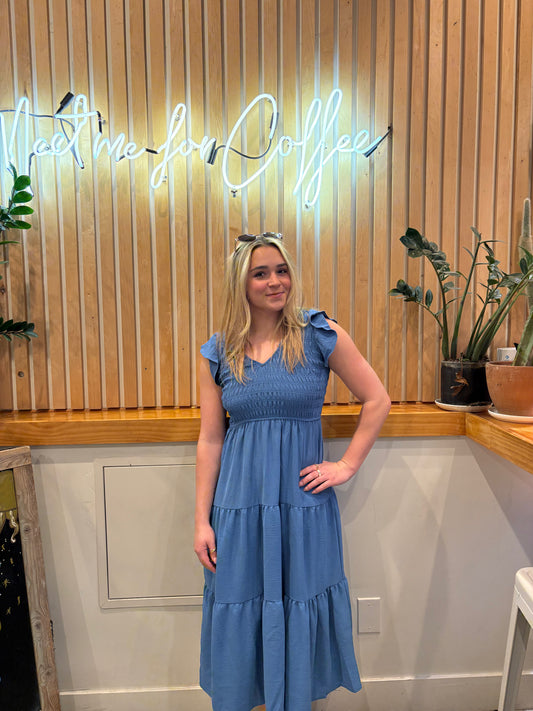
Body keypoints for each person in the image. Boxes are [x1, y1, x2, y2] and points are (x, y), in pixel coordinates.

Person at [194, 233, 391, 711]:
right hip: (238, 509)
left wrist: (346, 465)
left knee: (299, 600)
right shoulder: (218, 352)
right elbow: (210, 439)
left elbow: (377, 399)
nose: (275, 281)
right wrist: (201, 520)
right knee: (242, 603)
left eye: (281, 270)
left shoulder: (319, 334)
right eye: (261, 273)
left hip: (302, 505)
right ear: (241, 283)